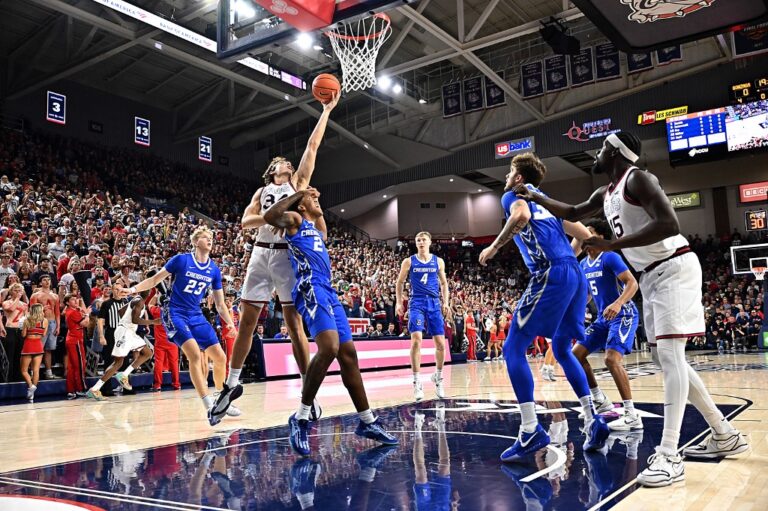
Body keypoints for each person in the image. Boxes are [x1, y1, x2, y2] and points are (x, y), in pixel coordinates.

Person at [515, 132, 748, 487]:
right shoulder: (606, 193)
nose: (596, 153)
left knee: (670, 356)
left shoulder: (638, 178)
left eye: (602, 148)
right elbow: (574, 212)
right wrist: (535, 197)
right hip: (652, 275)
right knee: (670, 360)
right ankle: (722, 432)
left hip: (674, 265)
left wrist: (614, 244)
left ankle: (669, 455)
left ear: (615, 152)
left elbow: (670, 223)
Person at [212, 93, 340, 423]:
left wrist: (325, 111)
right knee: (247, 324)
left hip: (285, 258)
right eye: (284, 162)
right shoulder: (261, 192)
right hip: (259, 255)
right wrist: (270, 216)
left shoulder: (298, 184)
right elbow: (246, 222)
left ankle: (306, 393)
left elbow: (312, 147)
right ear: (272, 170)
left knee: (294, 326)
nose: (290, 164)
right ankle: (231, 384)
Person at [478, 152, 609, 462]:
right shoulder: (545, 198)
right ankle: (592, 419)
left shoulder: (513, 195)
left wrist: (495, 246)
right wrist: (568, 262)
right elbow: (586, 236)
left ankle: (530, 428)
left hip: (551, 272)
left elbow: (521, 217)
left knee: (513, 348)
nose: (507, 177)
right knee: (562, 350)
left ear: (519, 178)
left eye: (510, 172)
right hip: (573, 274)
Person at [263, 188, 398, 455]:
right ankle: (301, 417)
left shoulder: (315, 229)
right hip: (311, 289)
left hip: (329, 292)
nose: (318, 201)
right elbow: (270, 215)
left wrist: (311, 197)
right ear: (301, 207)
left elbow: (321, 221)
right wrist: (300, 192)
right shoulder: (296, 222)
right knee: (329, 348)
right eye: (312, 200)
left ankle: (367, 421)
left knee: (348, 355)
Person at [118, 226, 236, 425]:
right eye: (206, 237)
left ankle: (221, 400)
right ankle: (208, 405)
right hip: (175, 312)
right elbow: (155, 279)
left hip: (196, 314)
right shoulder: (181, 260)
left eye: (211, 238)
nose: (210, 240)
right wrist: (132, 289)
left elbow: (220, 304)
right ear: (195, 241)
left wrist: (230, 323)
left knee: (220, 357)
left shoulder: (214, 270)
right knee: (195, 355)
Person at [573, 219, 642, 432]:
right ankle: (600, 400)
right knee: (575, 355)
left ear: (600, 237)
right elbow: (586, 296)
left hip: (624, 314)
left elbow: (633, 283)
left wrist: (618, 302)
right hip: (603, 319)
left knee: (611, 359)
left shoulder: (610, 257)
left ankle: (632, 415)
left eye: (590, 232)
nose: (585, 236)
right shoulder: (584, 264)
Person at [395, 232, 451, 401]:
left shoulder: (438, 261)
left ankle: (438, 378)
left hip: (434, 303)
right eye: (418, 239)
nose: (420, 242)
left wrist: (446, 302)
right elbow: (399, 282)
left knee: (441, 343)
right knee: (417, 339)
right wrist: (399, 302)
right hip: (416, 302)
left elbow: (444, 283)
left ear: (429, 242)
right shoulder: (409, 261)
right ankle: (417, 381)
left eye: (423, 239)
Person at [86, 289, 157, 401]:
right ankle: (95, 389)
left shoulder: (136, 299)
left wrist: (125, 322)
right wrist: (153, 322)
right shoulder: (139, 302)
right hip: (125, 332)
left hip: (129, 331)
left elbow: (120, 311)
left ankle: (123, 375)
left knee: (148, 353)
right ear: (149, 294)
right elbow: (134, 320)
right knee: (118, 362)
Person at [148, 294, 180, 391]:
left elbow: (149, 304)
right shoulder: (174, 312)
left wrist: (156, 295)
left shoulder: (157, 311)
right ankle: (176, 384)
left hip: (160, 342)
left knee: (159, 363)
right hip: (172, 341)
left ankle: (157, 385)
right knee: (174, 363)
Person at [30, 275, 60, 379]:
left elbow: (57, 313)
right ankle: (34, 371)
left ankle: (48, 371)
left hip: (52, 323)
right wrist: (41, 309)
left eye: (48, 280)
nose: (47, 282)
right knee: (38, 349)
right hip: (40, 323)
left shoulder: (55, 296)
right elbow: (32, 312)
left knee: (49, 349)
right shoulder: (35, 296)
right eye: (44, 280)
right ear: (40, 282)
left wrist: (58, 326)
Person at [20, 303, 48, 401]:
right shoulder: (45, 321)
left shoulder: (27, 320)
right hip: (38, 346)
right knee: (36, 370)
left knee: (24, 370)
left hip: (28, 345)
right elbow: (44, 334)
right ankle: (32, 393)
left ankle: (31, 386)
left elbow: (23, 335)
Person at [63, 294, 88, 399]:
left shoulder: (71, 311)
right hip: (75, 340)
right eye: (73, 300)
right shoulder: (73, 312)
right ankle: (80, 389)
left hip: (72, 339)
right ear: (68, 302)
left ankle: (71, 390)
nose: (76, 301)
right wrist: (87, 314)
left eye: (76, 299)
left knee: (72, 367)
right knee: (80, 366)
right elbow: (86, 324)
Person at [3, 282, 28, 382]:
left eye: (20, 291)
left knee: (19, 355)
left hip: (20, 330)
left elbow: (26, 318)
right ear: (11, 292)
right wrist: (17, 298)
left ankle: (18, 377)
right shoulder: (7, 302)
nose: (18, 292)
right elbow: (11, 309)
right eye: (15, 290)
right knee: (10, 355)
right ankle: (8, 378)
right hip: (10, 330)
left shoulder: (25, 304)